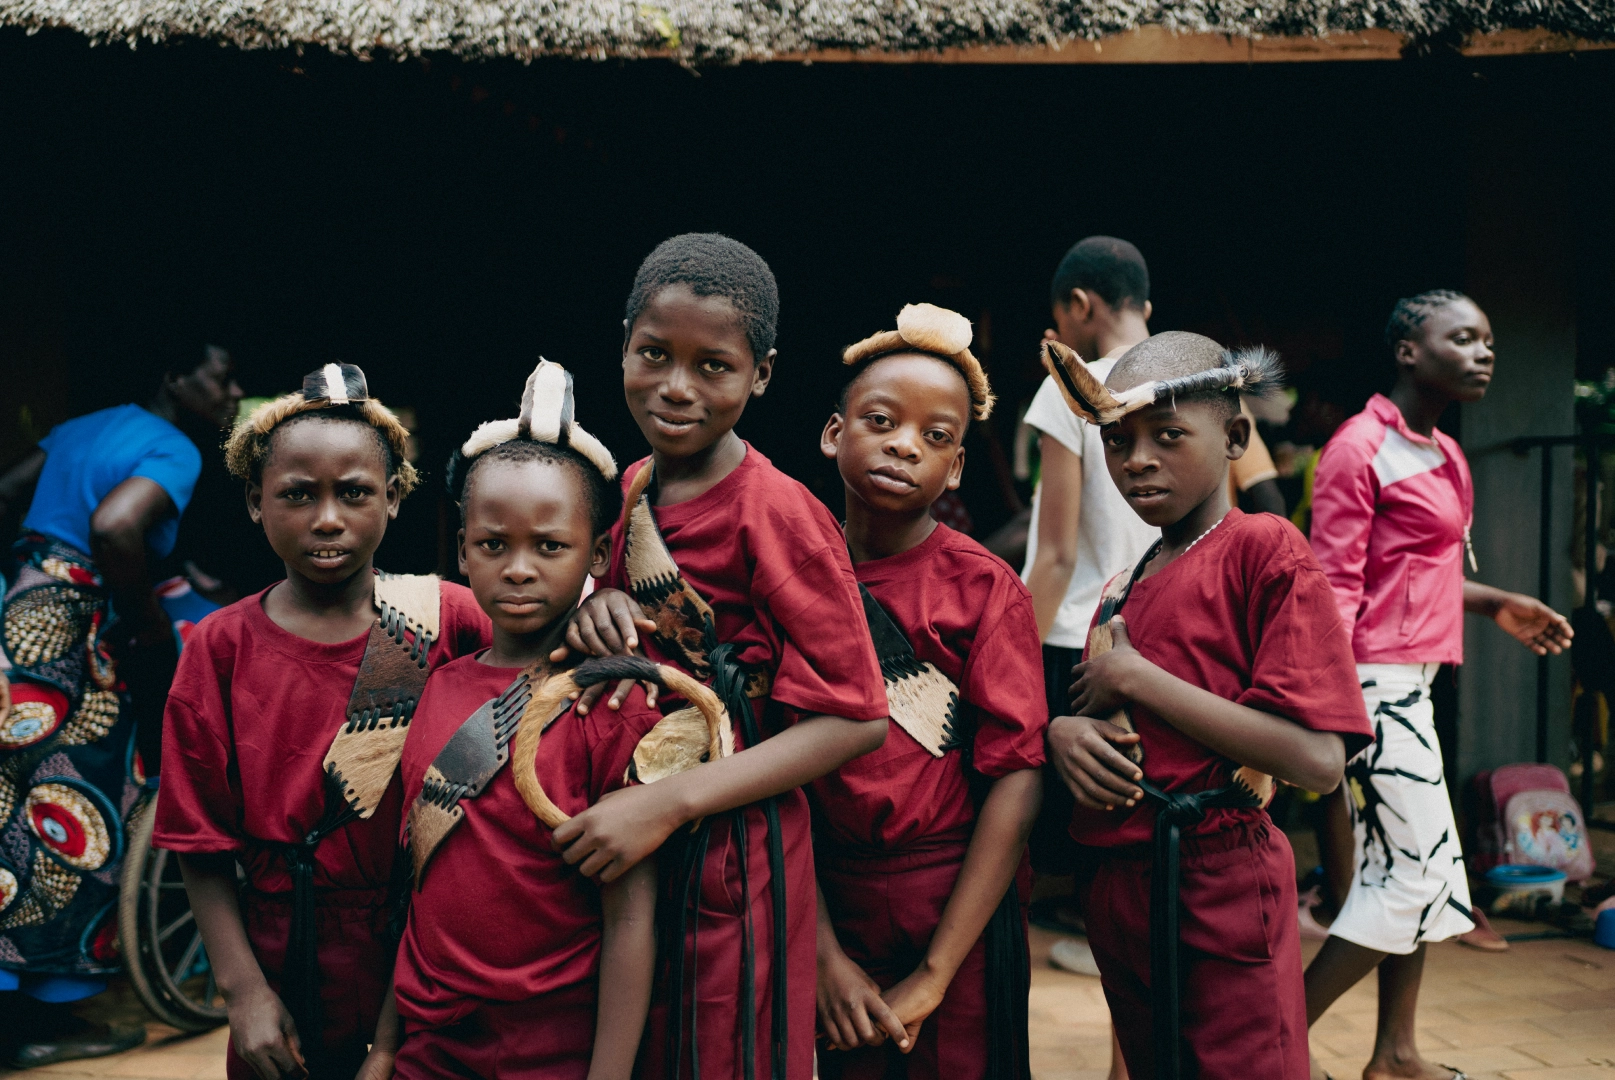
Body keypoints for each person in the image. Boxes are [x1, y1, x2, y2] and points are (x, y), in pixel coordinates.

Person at [552, 233, 891, 1080]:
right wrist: (602, 611)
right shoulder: (624, 490)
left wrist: (667, 806)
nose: (676, 387)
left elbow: (854, 719)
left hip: (733, 850)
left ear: (762, 375)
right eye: (654, 355)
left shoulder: (776, 513)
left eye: (713, 367)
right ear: (622, 344)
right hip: (626, 836)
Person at [1042, 332, 1373, 1079]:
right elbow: (1107, 730)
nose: (1137, 460)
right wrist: (1063, 735)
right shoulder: (1119, 588)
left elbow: (1317, 761)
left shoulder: (1264, 548)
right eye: (1117, 441)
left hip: (1217, 877)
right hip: (1119, 882)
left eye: (1167, 436)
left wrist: (1139, 679)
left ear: (1233, 436)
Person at [154, 364, 490, 1080]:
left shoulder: (446, 618)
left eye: (355, 493)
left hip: (419, 941)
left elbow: (544, 647)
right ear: (255, 502)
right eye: (298, 495)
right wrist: (243, 993)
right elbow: (199, 842)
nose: (328, 518)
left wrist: (594, 607)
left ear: (394, 499)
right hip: (277, 948)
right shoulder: (220, 647)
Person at [1303, 291, 1573, 1080]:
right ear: (1407, 352)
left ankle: (1394, 1055)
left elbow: (1420, 573)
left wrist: (1494, 603)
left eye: (1488, 339)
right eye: (1462, 338)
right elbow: (1332, 589)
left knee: (1405, 874)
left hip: (1412, 678)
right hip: (1368, 684)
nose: (1483, 352)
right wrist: (1325, 703)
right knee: (1418, 872)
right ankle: (1266, 1045)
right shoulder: (1358, 448)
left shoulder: (1443, 453)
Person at [392, 361, 660, 1080]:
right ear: (460, 551)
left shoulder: (610, 704)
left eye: (549, 546)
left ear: (599, 554)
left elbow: (630, 919)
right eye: (492, 545)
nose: (517, 568)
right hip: (431, 1043)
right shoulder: (441, 685)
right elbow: (416, 878)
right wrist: (386, 1048)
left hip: (552, 1048)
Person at [813, 305, 1045, 1080]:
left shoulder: (983, 589)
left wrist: (938, 972)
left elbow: (1015, 775)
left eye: (937, 437)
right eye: (880, 419)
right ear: (833, 433)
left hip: (954, 900)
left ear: (952, 471)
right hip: (823, 895)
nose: (905, 443)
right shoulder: (791, 577)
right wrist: (823, 957)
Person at [0, 345, 242, 1069]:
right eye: (221, 377)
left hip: (23, 614)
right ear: (173, 377)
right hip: (77, 630)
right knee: (79, 805)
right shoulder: (174, 449)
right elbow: (114, 527)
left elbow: (8, 493)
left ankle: (17, 1000)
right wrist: (139, 626)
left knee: (12, 804)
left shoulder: (82, 427)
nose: (232, 392)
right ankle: (38, 1022)